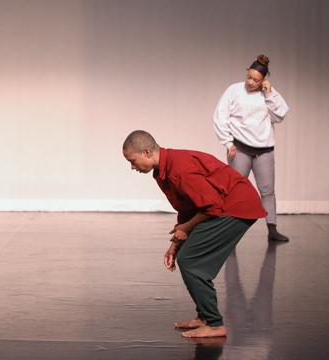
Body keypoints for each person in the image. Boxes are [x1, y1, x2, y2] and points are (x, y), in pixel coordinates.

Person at [122, 130, 267, 338]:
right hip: (224, 205)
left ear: (146, 152)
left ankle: (215, 324)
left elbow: (212, 206)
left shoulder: (178, 169)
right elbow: (188, 208)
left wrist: (186, 229)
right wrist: (175, 244)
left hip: (236, 205)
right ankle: (204, 317)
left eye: (133, 161)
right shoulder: (163, 170)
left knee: (191, 261)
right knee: (188, 257)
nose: (132, 167)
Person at [213, 54, 290, 242]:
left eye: (256, 80)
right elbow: (220, 116)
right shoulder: (234, 90)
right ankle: (228, 231)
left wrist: (270, 94)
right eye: (249, 77)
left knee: (267, 191)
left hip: (264, 150)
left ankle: (272, 229)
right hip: (240, 148)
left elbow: (280, 116)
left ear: (263, 80)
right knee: (234, 190)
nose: (251, 82)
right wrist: (228, 142)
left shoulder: (269, 94)